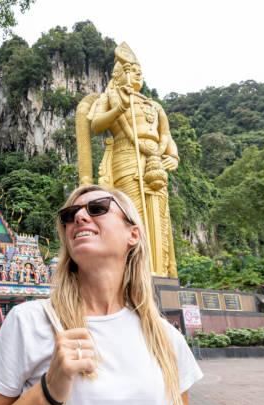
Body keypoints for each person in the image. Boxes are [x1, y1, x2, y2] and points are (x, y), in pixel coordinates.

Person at [0, 185, 202, 405]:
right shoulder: (29, 321)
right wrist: (49, 389)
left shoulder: (166, 339)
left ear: (133, 234)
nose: (80, 216)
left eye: (98, 207)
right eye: (69, 215)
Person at [79, 42, 179, 277]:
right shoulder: (111, 97)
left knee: (160, 218)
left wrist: (171, 155)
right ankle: (134, 273)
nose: (138, 75)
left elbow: (167, 136)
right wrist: (119, 108)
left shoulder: (153, 105)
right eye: (133, 71)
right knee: (130, 216)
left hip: (154, 160)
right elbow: (96, 125)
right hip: (126, 156)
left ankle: (160, 272)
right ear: (120, 74)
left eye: (140, 72)